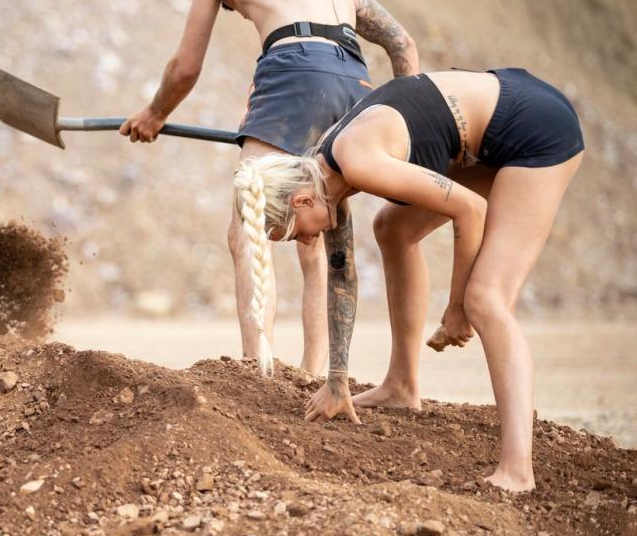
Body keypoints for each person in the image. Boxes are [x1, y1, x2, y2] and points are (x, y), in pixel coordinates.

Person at [232, 68, 584, 491]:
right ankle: (401, 385)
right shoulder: (325, 175)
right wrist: (337, 381)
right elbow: (342, 276)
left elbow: (470, 210)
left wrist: (456, 309)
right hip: (487, 138)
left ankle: (517, 470)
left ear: (302, 200)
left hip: (534, 128)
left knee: (485, 300)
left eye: (293, 232)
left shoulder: (357, 162)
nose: (303, 240)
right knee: (392, 229)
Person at [120, 0, 419, 374]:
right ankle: (317, 372)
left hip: (292, 68)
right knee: (319, 225)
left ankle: (255, 369)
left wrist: (154, 113)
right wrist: (406, 127)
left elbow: (186, 67)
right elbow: (401, 42)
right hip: (355, 81)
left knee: (249, 223)